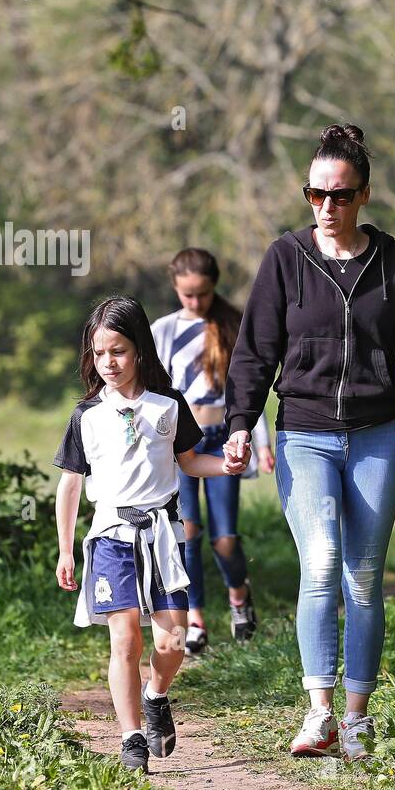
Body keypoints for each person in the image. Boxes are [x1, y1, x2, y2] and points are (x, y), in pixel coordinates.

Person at [222, 124, 395, 761]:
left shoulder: (394, 262)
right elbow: (255, 351)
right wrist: (241, 423)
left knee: (364, 577)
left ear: (364, 196)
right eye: (315, 194)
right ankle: (317, 712)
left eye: (340, 195)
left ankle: (356, 717)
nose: (327, 206)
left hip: (378, 436)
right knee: (319, 567)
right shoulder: (285, 258)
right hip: (305, 435)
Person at [54, 296, 247, 773]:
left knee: (172, 641)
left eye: (117, 350)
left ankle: (156, 695)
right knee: (125, 642)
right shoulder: (86, 415)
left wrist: (226, 464)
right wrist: (65, 552)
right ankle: (132, 737)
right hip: (111, 538)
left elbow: (190, 462)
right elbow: (70, 485)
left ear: (139, 349)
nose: (108, 362)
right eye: (99, 353)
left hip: (162, 535)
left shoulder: (167, 405)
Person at [152, 249, 274, 654]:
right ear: (175, 287)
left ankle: (239, 596)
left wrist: (262, 443)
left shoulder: (231, 325)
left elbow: (248, 391)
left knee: (224, 537)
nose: (195, 302)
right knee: (187, 533)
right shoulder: (164, 330)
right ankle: (195, 621)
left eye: (202, 294)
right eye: (187, 295)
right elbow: (154, 390)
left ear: (213, 287)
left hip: (224, 436)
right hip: (180, 441)